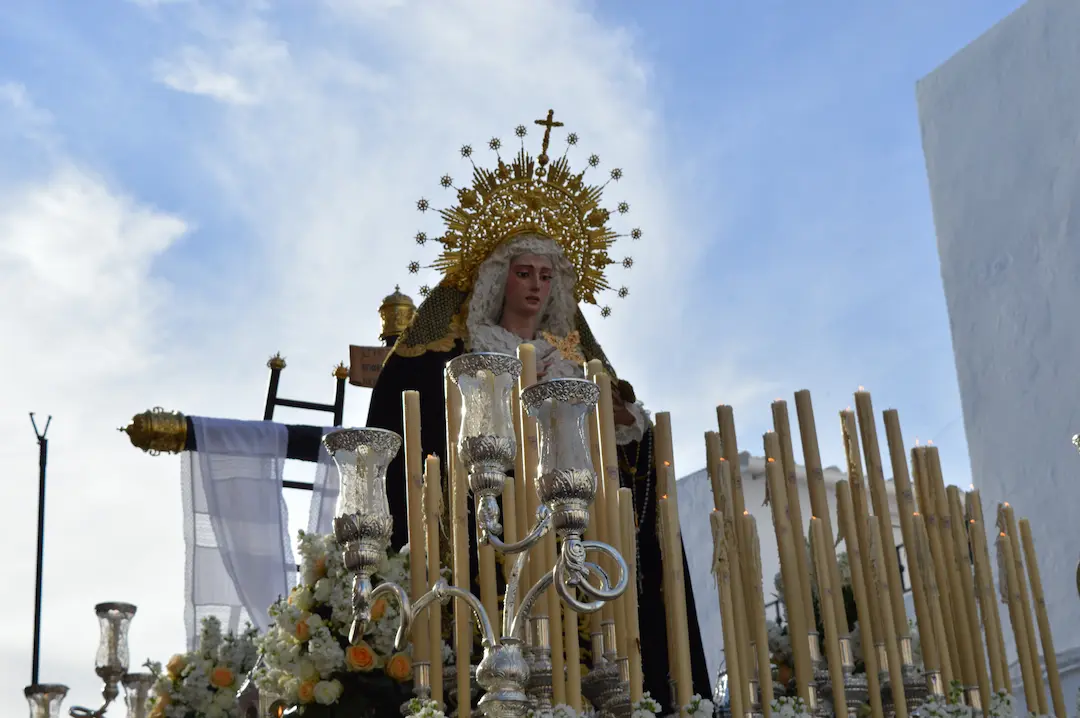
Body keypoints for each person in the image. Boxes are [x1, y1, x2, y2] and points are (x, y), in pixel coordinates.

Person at [365, 114, 711, 710]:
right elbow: (424, 420)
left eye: (546, 276)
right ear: (499, 279)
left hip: (562, 514)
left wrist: (623, 423)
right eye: (524, 273)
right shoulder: (469, 349)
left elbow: (620, 439)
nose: (535, 286)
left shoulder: (571, 359)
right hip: (488, 512)